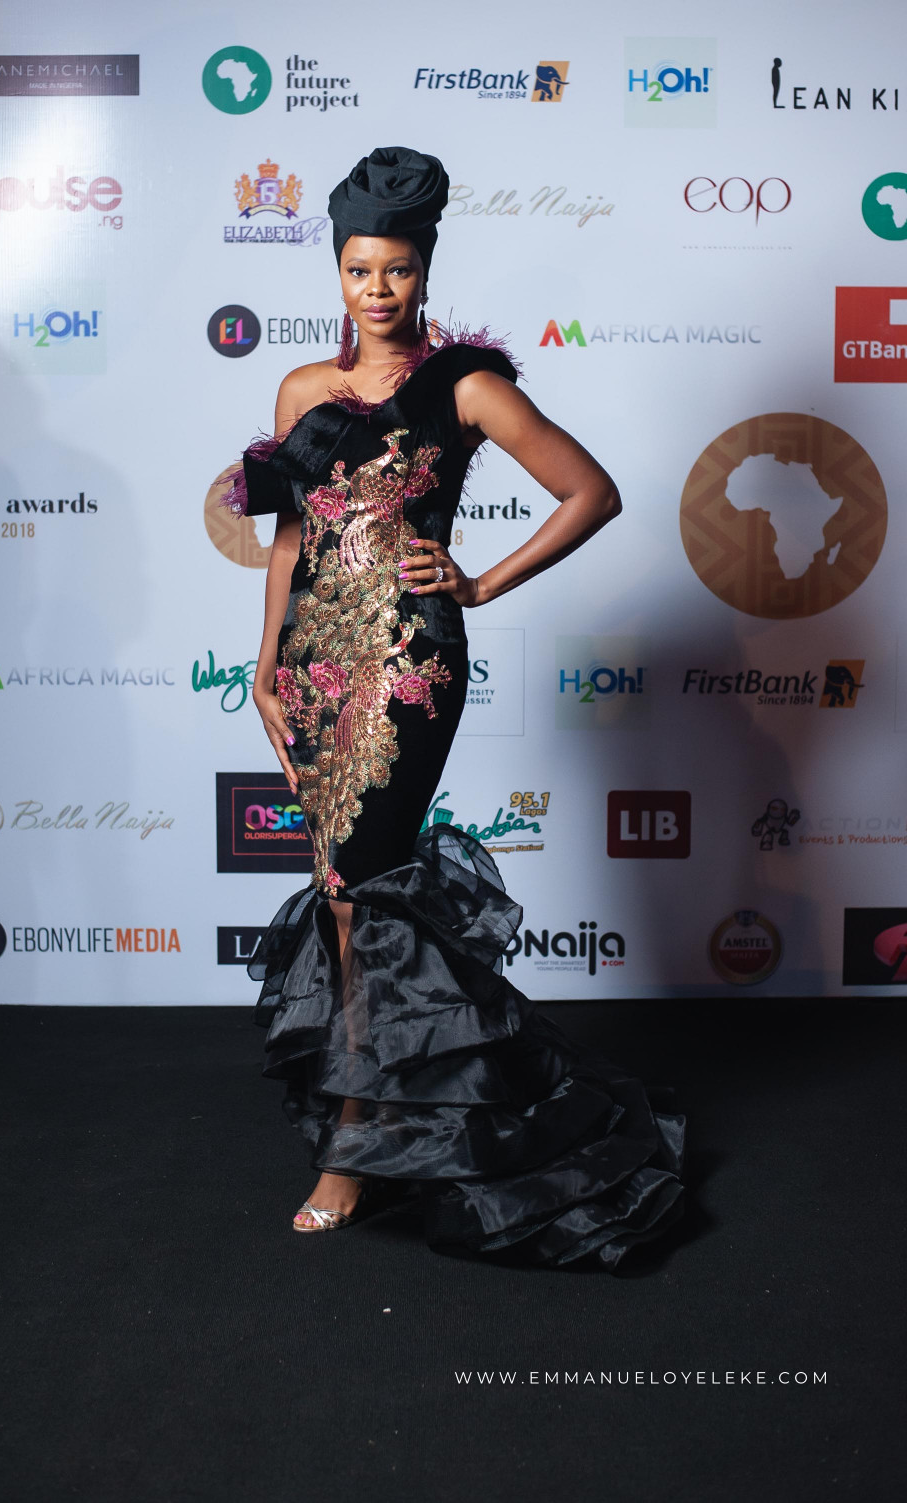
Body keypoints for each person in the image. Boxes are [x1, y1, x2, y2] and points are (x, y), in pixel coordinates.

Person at [227, 146, 685, 1268]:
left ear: (424, 269)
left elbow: (591, 492)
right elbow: (290, 539)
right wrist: (265, 663)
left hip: (405, 665)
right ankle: (403, 1111)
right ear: (336, 272)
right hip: (315, 663)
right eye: (357, 269)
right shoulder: (299, 390)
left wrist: (478, 583)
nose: (376, 289)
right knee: (342, 902)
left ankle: (355, 1146)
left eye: (395, 269)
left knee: (366, 888)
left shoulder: (468, 386)